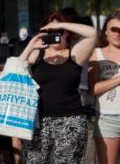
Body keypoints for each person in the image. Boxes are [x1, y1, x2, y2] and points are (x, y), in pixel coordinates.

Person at [18, 11, 97, 164]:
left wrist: (60, 24)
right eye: (50, 31)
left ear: (67, 32)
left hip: (70, 120)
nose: (55, 35)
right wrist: (31, 45)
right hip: (38, 122)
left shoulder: (75, 53)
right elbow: (17, 67)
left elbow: (92, 33)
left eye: (59, 32)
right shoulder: (37, 53)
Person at [88, 10, 120, 164]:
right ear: (106, 31)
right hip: (108, 118)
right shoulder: (97, 54)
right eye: (114, 29)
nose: (117, 33)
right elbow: (93, 89)